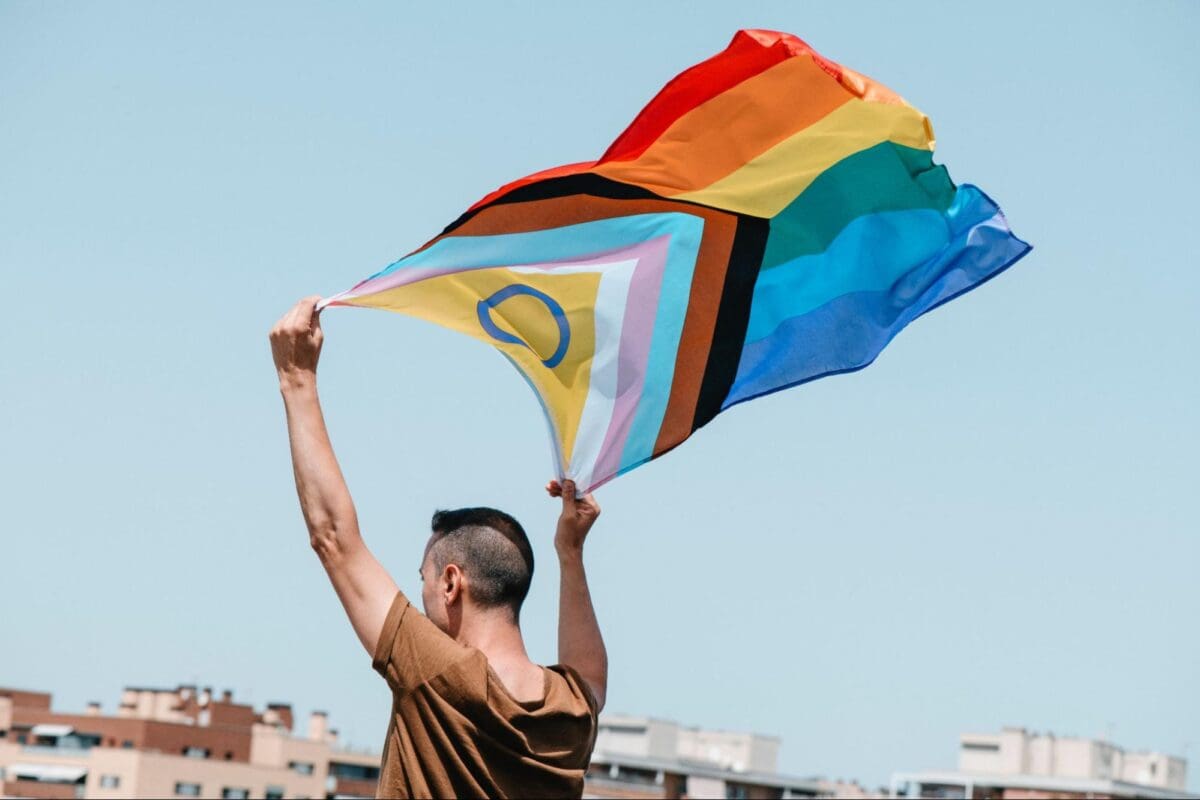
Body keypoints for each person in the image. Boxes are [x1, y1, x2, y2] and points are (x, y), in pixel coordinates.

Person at [269, 296, 607, 798]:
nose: (420, 598)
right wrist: (571, 553)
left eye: (423, 580)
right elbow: (591, 679)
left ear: (452, 582)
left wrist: (297, 381)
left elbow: (334, 539)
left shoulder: (438, 672)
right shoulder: (571, 710)